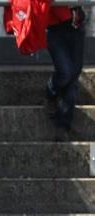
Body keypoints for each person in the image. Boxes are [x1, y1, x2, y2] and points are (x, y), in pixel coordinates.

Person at [45, 6, 86, 140]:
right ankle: (50, 91)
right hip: (55, 28)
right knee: (66, 72)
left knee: (73, 75)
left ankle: (62, 125)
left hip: (76, 26)